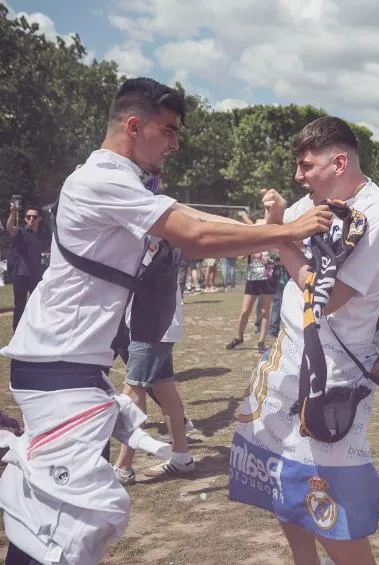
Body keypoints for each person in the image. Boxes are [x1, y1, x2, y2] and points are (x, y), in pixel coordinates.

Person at [0, 77, 333, 565]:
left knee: (57, 519)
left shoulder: (117, 179)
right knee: (65, 530)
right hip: (59, 366)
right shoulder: (102, 180)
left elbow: (194, 220)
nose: (175, 144)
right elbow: (194, 234)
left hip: (68, 364)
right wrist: (289, 230)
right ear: (135, 126)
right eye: (169, 131)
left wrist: (272, 229)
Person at [230, 115, 379, 565]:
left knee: (329, 504)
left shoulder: (378, 214)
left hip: (333, 375)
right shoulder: (310, 204)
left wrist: (280, 236)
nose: (298, 176)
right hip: (286, 357)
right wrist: (277, 224)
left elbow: (330, 298)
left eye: (306, 166)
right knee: (281, 486)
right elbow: (277, 242)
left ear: (339, 162)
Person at [113, 273, 194, 482]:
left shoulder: (155, 252)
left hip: (150, 324)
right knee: (163, 388)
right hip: (154, 322)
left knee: (133, 391)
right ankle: (182, 458)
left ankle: (123, 467)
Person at [5, 202, 51, 329]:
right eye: (28, 217)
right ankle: (16, 332)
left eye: (34, 217)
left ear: (39, 219)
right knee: (19, 306)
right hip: (20, 275)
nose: (31, 219)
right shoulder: (21, 232)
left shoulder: (45, 235)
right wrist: (13, 213)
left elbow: (49, 250)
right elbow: (9, 227)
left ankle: (33, 331)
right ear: (25, 219)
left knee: (36, 306)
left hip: (37, 276)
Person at [225, 249, 276, 354]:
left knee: (265, 312)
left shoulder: (271, 241)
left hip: (268, 278)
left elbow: (277, 254)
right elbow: (239, 256)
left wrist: (270, 255)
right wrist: (252, 252)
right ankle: (239, 338)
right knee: (245, 311)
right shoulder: (252, 242)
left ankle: (261, 341)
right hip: (252, 279)